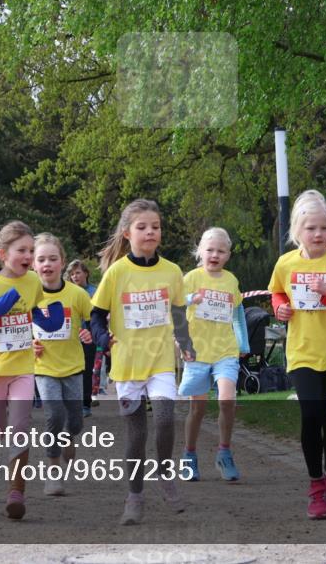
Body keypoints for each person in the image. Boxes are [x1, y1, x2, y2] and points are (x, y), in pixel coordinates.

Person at [90, 199, 195, 526]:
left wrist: (186, 342)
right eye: (142, 227)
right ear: (127, 234)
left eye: (155, 226)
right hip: (127, 364)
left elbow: (178, 312)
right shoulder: (117, 273)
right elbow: (96, 314)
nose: (150, 232)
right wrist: (102, 339)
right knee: (135, 435)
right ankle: (134, 496)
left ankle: (164, 471)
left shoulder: (172, 271)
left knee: (165, 418)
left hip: (161, 359)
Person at [0, 221, 65, 520]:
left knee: (20, 428)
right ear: (2, 253)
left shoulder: (33, 282)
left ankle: (16, 493)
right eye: (22, 250)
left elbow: (34, 314)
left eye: (31, 250)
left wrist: (51, 321)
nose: (28, 255)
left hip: (23, 366)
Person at [269, 190, 326, 519]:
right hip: (302, 352)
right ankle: (315, 485)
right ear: (297, 231)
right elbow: (276, 291)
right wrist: (280, 309)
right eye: (311, 228)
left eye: (325, 228)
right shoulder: (286, 263)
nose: (318, 234)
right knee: (312, 415)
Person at [179, 227, 249, 483]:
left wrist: (244, 343)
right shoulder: (191, 278)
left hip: (225, 351)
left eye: (221, 251)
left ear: (228, 255)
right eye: (209, 250)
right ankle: (189, 454)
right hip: (197, 352)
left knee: (227, 400)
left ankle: (224, 452)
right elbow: (176, 306)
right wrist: (190, 300)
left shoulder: (231, 280)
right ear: (200, 251)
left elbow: (238, 312)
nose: (214, 255)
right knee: (197, 409)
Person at [31, 234, 93, 496]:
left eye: (52, 259)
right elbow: (16, 328)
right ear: (33, 264)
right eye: (41, 259)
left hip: (72, 367)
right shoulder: (27, 295)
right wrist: (28, 342)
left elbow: (93, 321)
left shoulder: (77, 295)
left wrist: (89, 333)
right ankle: (53, 470)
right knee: (53, 415)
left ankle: (68, 437)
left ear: (62, 262)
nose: (47, 264)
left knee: (76, 422)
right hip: (43, 367)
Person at [66, 259, 103, 415]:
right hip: (69, 336)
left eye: (78, 273)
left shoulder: (94, 292)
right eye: (72, 274)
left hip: (89, 336)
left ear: (86, 273)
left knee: (87, 370)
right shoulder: (66, 292)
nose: (75, 276)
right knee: (70, 371)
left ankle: (85, 404)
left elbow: (99, 315)